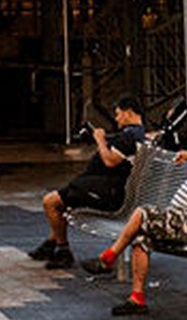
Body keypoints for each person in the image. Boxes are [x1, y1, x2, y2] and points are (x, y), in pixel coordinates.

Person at [82, 112, 187, 316]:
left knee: (142, 213)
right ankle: (137, 299)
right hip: (180, 218)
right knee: (141, 236)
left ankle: (108, 258)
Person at [29, 96, 147, 269]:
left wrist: (99, 139)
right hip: (112, 190)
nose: (116, 119)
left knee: (51, 202)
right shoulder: (139, 134)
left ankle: (63, 250)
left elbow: (110, 161)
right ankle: (51, 242)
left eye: (118, 114)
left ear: (128, 112)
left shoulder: (129, 136)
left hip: (109, 194)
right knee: (64, 198)